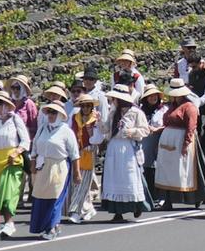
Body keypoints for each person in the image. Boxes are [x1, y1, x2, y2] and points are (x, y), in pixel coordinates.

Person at [155, 79, 205, 210]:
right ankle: (167, 199)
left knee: (184, 170)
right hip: (168, 140)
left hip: (181, 138)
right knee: (167, 170)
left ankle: (196, 196)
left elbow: (191, 126)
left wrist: (186, 143)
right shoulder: (171, 106)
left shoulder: (189, 107)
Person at [28, 100, 79, 239]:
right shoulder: (43, 128)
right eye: (49, 112)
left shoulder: (66, 131)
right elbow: (35, 146)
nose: (50, 115)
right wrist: (32, 161)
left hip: (58, 167)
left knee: (55, 198)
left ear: (60, 115)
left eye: (53, 112)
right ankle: (46, 225)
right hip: (43, 166)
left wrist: (77, 173)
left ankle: (51, 227)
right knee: (40, 196)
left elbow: (74, 154)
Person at [0, 91, 29, 236]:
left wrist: (16, 152)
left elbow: (25, 140)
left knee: (9, 193)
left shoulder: (15, 119)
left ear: (6, 105)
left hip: (12, 160)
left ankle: (9, 222)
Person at [100, 86, 150, 222]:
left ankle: (137, 205)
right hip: (114, 148)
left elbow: (145, 130)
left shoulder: (136, 113)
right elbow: (106, 129)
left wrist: (133, 132)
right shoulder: (113, 112)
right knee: (114, 178)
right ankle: (117, 212)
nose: (113, 101)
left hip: (127, 148)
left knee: (129, 178)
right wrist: (99, 121)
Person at [66, 93, 100, 224]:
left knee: (82, 182)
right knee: (75, 182)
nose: (85, 108)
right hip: (75, 152)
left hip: (87, 152)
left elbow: (98, 139)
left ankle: (76, 211)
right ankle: (88, 207)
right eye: (83, 106)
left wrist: (90, 132)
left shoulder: (95, 120)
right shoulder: (74, 118)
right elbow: (69, 132)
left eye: (88, 106)